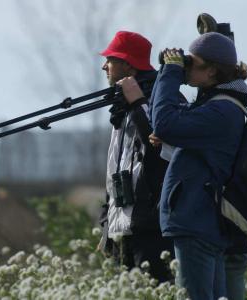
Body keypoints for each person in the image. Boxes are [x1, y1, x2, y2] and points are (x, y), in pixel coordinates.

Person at [123, 32, 247, 299]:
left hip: (197, 221)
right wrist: (166, 73)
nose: (187, 66)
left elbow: (164, 123)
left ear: (213, 70)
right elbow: (166, 123)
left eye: (192, 62)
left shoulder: (222, 111)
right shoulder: (218, 106)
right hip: (198, 220)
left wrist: (171, 71)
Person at [96, 31, 174, 283]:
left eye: (110, 59)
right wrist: (106, 225)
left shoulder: (158, 103)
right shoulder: (122, 109)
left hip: (149, 231)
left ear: (127, 64)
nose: (104, 66)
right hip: (122, 231)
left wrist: (138, 102)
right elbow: (114, 171)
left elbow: (161, 150)